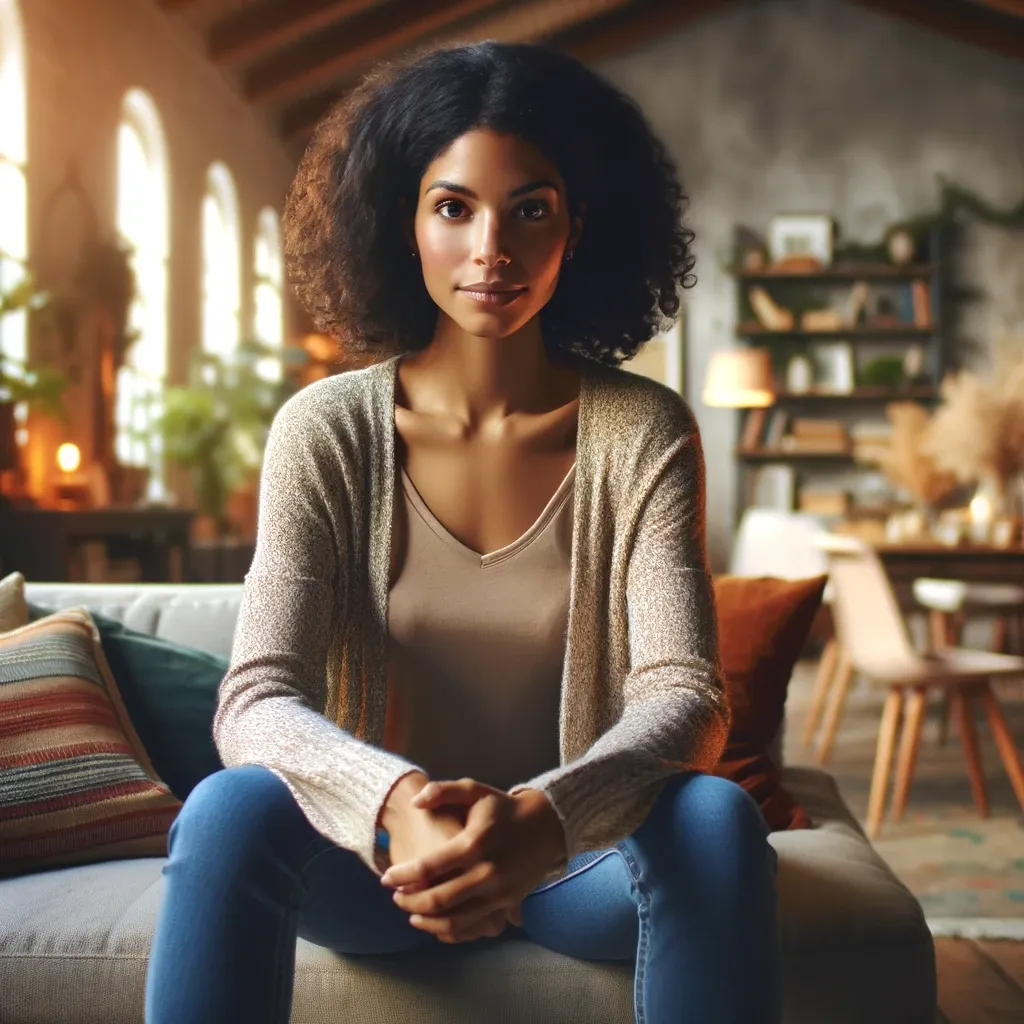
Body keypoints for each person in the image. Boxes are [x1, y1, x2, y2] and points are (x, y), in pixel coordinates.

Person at [145, 41, 781, 1024]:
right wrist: (398, 804)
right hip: (382, 868)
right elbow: (258, 696)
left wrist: (544, 821)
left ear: (580, 228)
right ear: (401, 224)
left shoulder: (645, 430)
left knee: (714, 815)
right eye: (454, 207)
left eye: (531, 208)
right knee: (231, 807)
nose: (493, 246)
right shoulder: (322, 430)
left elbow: (684, 693)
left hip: (573, 865)